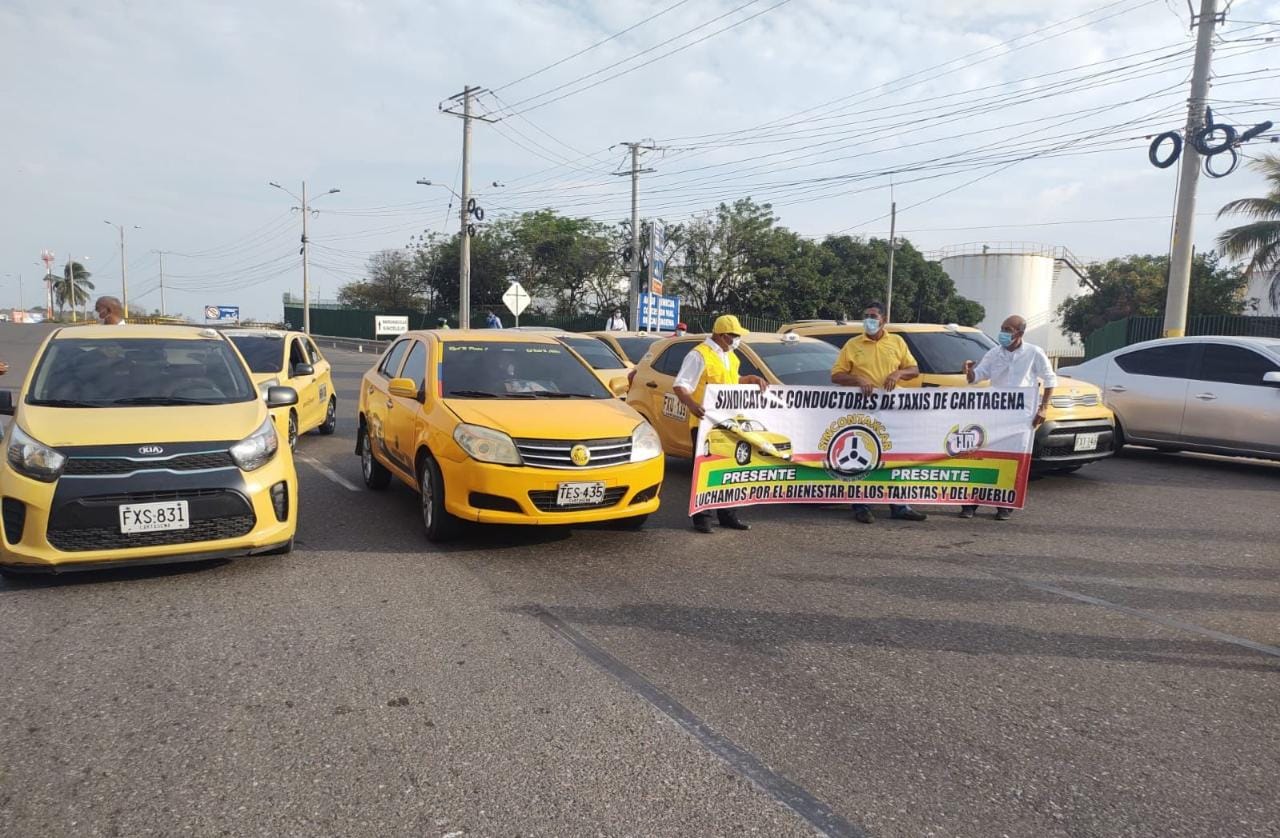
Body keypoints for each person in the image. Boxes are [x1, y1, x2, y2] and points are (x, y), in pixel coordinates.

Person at [830, 301, 927, 524]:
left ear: (884, 320)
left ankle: (899, 505)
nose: (869, 320)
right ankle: (861, 505)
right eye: (866, 315)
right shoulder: (853, 344)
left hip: (892, 411)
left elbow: (914, 369)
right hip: (863, 410)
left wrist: (898, 374)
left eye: (873, 316)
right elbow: (836, 375)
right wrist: (857, 378)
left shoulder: (896, 342)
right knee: (864, 454)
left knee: (894, 455)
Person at [673, 314, 768, 534]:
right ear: (723, 335)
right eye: (735, 336)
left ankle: (728, 515)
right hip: (704, 423)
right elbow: (681, 386)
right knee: (707, 471)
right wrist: (692, 405)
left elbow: (732, 381)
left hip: (729, 423)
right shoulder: (699, 355)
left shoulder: (731, 356)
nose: (738, 340)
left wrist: (750, 379)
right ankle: (702, 518)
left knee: (728, 470)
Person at [960, 314, 1056, 521]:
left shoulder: (1033, 353)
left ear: (1020, 333)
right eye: (1002, 328)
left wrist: (1043, 408)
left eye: (1008, 330)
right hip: (994, 414)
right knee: (982, 455)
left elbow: (1050, 379)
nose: (1003, 333)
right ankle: (970, 503)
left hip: (1020, 417)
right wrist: (969, 372)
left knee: (1011, 459)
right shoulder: (994, 353)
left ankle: (1004, 504)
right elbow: (978, 377)